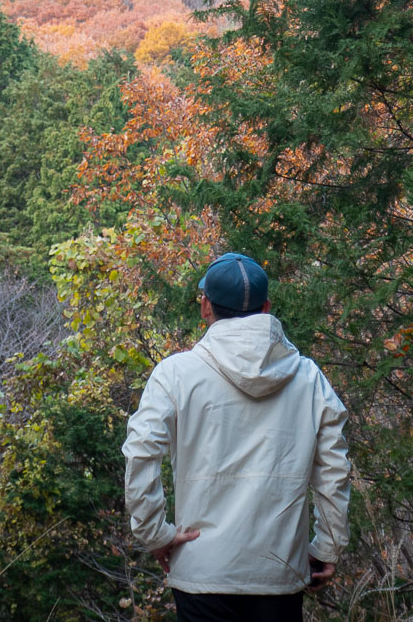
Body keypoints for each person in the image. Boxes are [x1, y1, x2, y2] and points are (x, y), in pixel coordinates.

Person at [122, 252, 352, 622]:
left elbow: (141, 453)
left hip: (201, 574)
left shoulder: (175, 374)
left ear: (205, 307)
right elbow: (334, 468)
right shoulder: (308, 379)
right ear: (266, 308)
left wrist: (155, 534)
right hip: (278, 573)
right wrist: (328, 545)